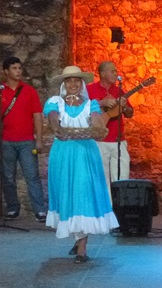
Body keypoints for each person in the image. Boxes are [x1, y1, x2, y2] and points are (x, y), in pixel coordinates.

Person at [44, 66, 119, 263]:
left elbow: (96, 121)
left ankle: (82, 249)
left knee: (83, 194)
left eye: (77, 80)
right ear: (64, 84)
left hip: (85, 154)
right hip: (63, 153)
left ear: (82, 84)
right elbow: (52, 118)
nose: (73, 84)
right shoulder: (55, 102)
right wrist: (57, 127)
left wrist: (96, 127)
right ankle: (78, 238)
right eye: (69, 81)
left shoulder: (91, 104)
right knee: (67, 195)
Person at [0, 56, 47, 222]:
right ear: (6, 71)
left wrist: (39, 139)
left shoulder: (29, 91)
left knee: (32, 176)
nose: (18, 71)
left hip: (27, 140)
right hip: (5, 140)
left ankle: (39, 210)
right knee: (7, 177)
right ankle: (12, 208)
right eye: (14, 68)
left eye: (20, 68)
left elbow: (37, 115)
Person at [86, 61, 134, 192]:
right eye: (112, 71)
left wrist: (124, 106)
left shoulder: (119, 91)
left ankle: (119, 208)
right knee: (102, 179)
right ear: (102, 73)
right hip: (99, 141)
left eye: (115, 71)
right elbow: (83, 108)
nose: (115, 73)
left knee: (122, 177)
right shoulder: (90, 89)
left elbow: (130, 113)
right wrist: (103, 102)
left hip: (118, 140)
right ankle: (106, 209)